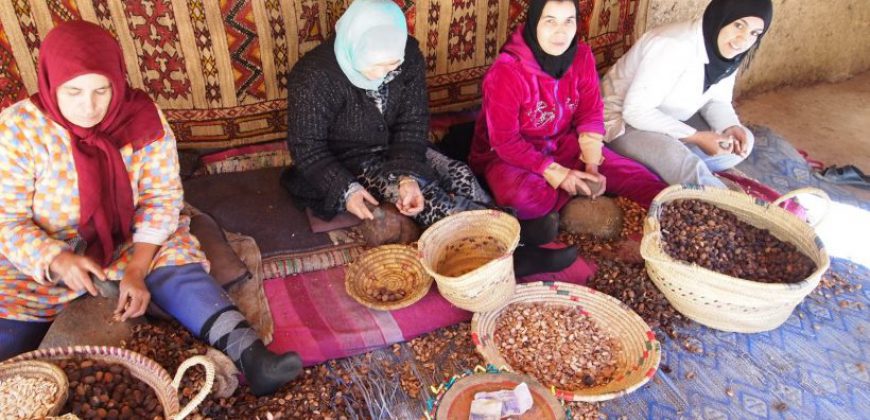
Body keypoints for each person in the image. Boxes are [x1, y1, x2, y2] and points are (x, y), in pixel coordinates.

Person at [0, 21, 299, 396]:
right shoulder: (18, 131)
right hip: (42, 253)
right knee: (12, 327)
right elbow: (6, 221)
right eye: (73, 91)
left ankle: (252, 357)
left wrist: (138, 268)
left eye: (102, 89)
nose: (89, 106)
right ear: (50, 83)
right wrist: (57, 259)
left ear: (118, 81)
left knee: (175, 257)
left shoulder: (142, 117)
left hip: (127, 237)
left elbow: (161, 197)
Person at [470, 0, 668, 272]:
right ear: (533, 23)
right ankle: (558, 206)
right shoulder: (507, 72)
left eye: (568, 21)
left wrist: (591, 165)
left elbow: (590, 112)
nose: (560, 32)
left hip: (564, 144)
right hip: (513, 156)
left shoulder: (582, 56)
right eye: (549, 21)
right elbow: (505, 142)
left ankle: (671, 214)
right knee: (524, 199)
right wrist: (559, 174)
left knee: (641, 179)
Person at [280, 0, 492, 229]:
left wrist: (408, 175)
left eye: (392, 65)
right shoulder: (313, 77)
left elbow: (413, 121)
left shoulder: (408, 57)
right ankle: (492, 241)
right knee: (431, 203)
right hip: (349, 159)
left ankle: (505, 231)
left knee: (460, 174)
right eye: (374, 65)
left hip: (397, 146)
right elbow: (307, 148)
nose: (382, 74)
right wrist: (345, 189)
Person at [601, 0, 773, 188]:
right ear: (721, 17)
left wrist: (729, 126)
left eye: (754, 33)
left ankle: (671, 170)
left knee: (740, 143)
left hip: (669, 119)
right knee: (676, 158)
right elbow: (635, 112)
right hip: (622, 122)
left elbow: (716, 100)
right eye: (738, 25)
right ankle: (724, 200)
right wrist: (695, 137)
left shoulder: (727, 51)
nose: (742, 40)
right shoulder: (673, 45)